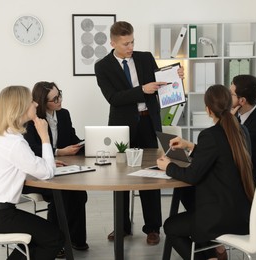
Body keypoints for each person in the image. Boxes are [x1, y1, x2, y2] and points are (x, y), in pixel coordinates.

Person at [94, 21, 183, 245]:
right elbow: (114, 99)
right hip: (122, 128)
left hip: (147, 123)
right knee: (121, 178)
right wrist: (142, 90)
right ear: (112, 42)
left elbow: (162, 85)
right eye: (125, 44)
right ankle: (122, 227)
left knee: (150, 175)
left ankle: (153, 228)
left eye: (132, 41)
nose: (130, 47)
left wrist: (175, 77)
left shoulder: (144, 58)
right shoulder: (102, 66)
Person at [156, 84, 254, 260]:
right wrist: (189, 146)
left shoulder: (210, 135)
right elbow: (220, 153)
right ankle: (214, 252)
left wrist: (168, 166)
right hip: (244, 214)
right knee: (190, 199)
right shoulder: (242, 130)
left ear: (208, 110)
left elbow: (192, 176)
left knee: (171, 227)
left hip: (222, 217)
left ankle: (210, 256)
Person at [0, 85, 64, 260]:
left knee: (39, 237)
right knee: (54, 238)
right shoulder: (14, 143)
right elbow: (48, 172)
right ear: (20, 107)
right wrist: (45, 137)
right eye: (31, 101)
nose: (36, 103)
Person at [23, 81, 89, 254]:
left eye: (59, 94)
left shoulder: (64, 114)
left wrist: (83, 145)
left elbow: (72, 138)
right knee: (60, 193)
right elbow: (31, 148)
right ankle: (55, 243)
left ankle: (76, 239)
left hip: (61, 169)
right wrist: (58, 152)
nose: (59, 100)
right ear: (43, 103)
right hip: (38, 172)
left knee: (79, 192)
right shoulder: (32, 120)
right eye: (55, 99)